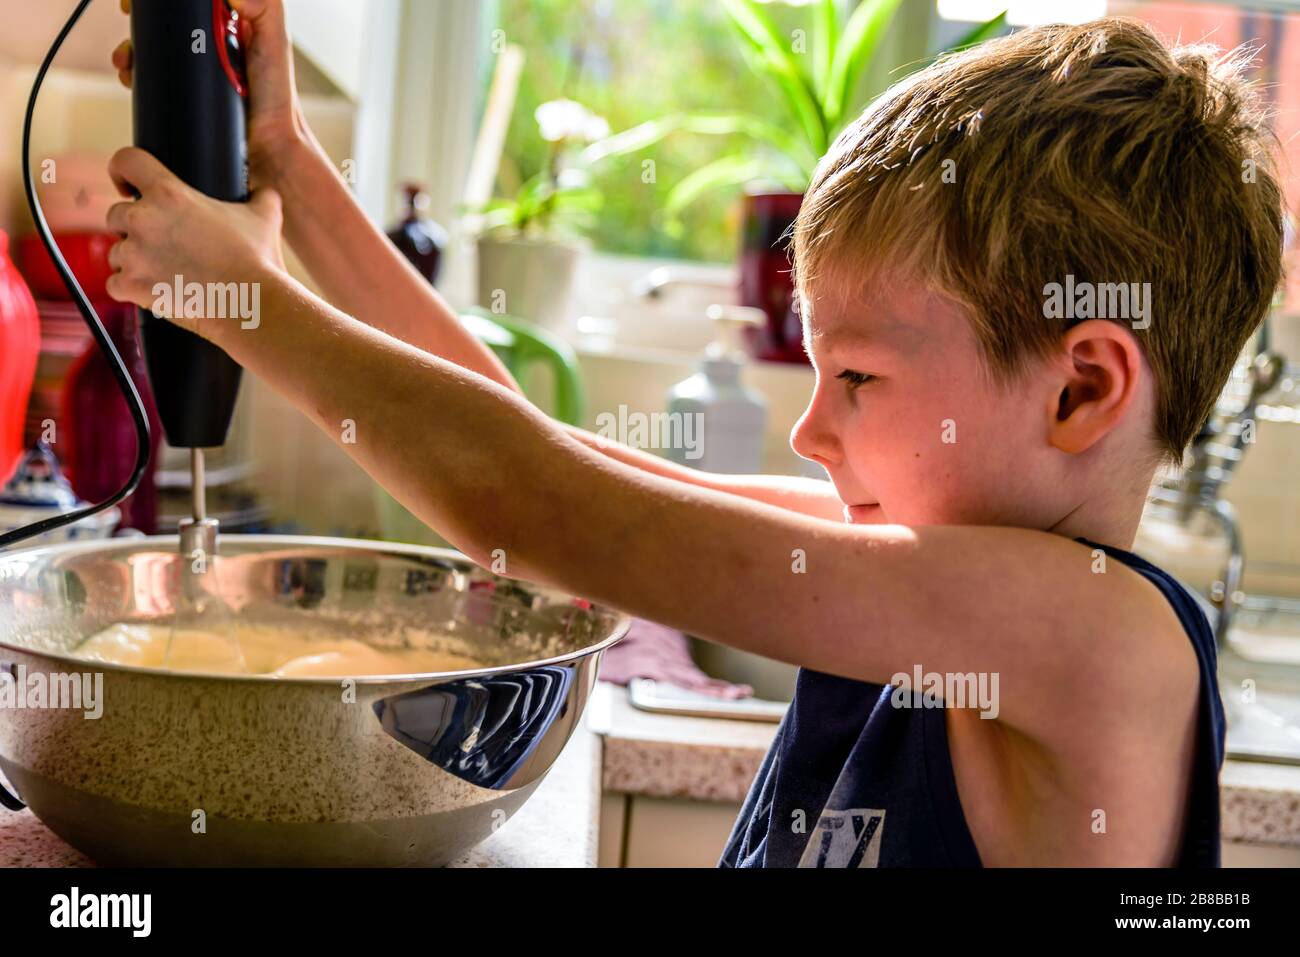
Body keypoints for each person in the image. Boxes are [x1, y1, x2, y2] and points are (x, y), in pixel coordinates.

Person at [106, 0, 1284, 866]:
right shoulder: (934, 564)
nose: (813, 432)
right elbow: (542, 455)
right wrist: (292, 176)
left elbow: (543, 506)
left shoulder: (1096, 636)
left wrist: (242, 303)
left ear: (1081, 388)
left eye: (860, 377)